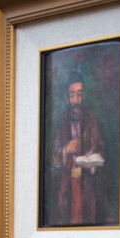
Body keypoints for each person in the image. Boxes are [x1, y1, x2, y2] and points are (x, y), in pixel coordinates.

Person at [49, 72, 108, 226]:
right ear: (67, 98)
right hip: (67, 188)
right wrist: (66, 150)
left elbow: (101, 151)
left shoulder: (90, 119)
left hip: (87, 187)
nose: (76, 100)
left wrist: (92, 162)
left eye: (79, 94)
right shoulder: (61, 122)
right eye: (72, 95)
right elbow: (51, 159)